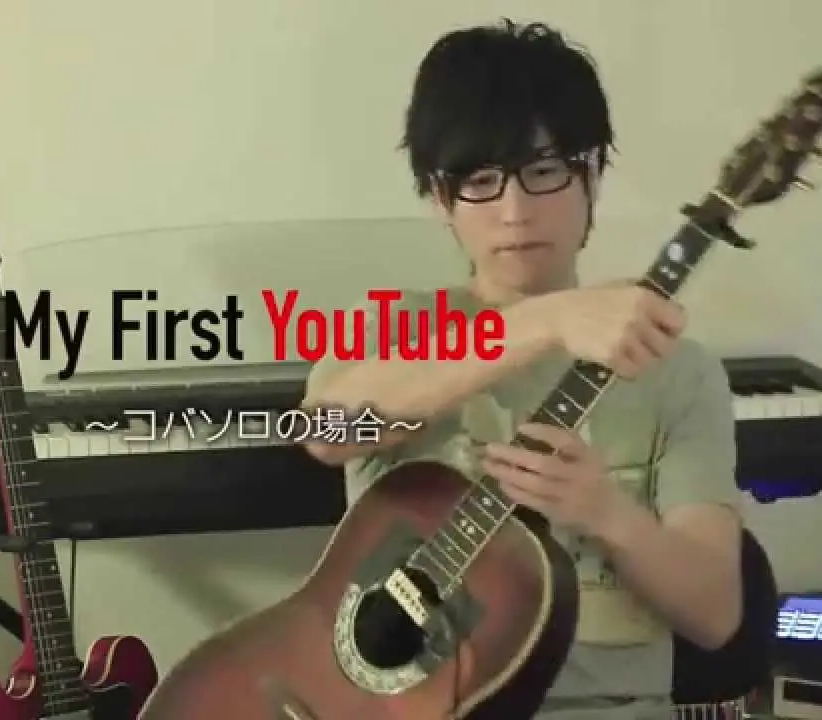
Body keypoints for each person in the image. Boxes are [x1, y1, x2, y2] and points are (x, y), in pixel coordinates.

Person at [300, 19, 745, 720]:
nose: (515, 211)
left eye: (544, 172)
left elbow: (715, 616)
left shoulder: (680, 372)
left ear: (591, 175)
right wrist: (545, 322)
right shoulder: (392, 327)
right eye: (480, 181)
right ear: (440, 199)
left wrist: (607, 513)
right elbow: (328, 430)